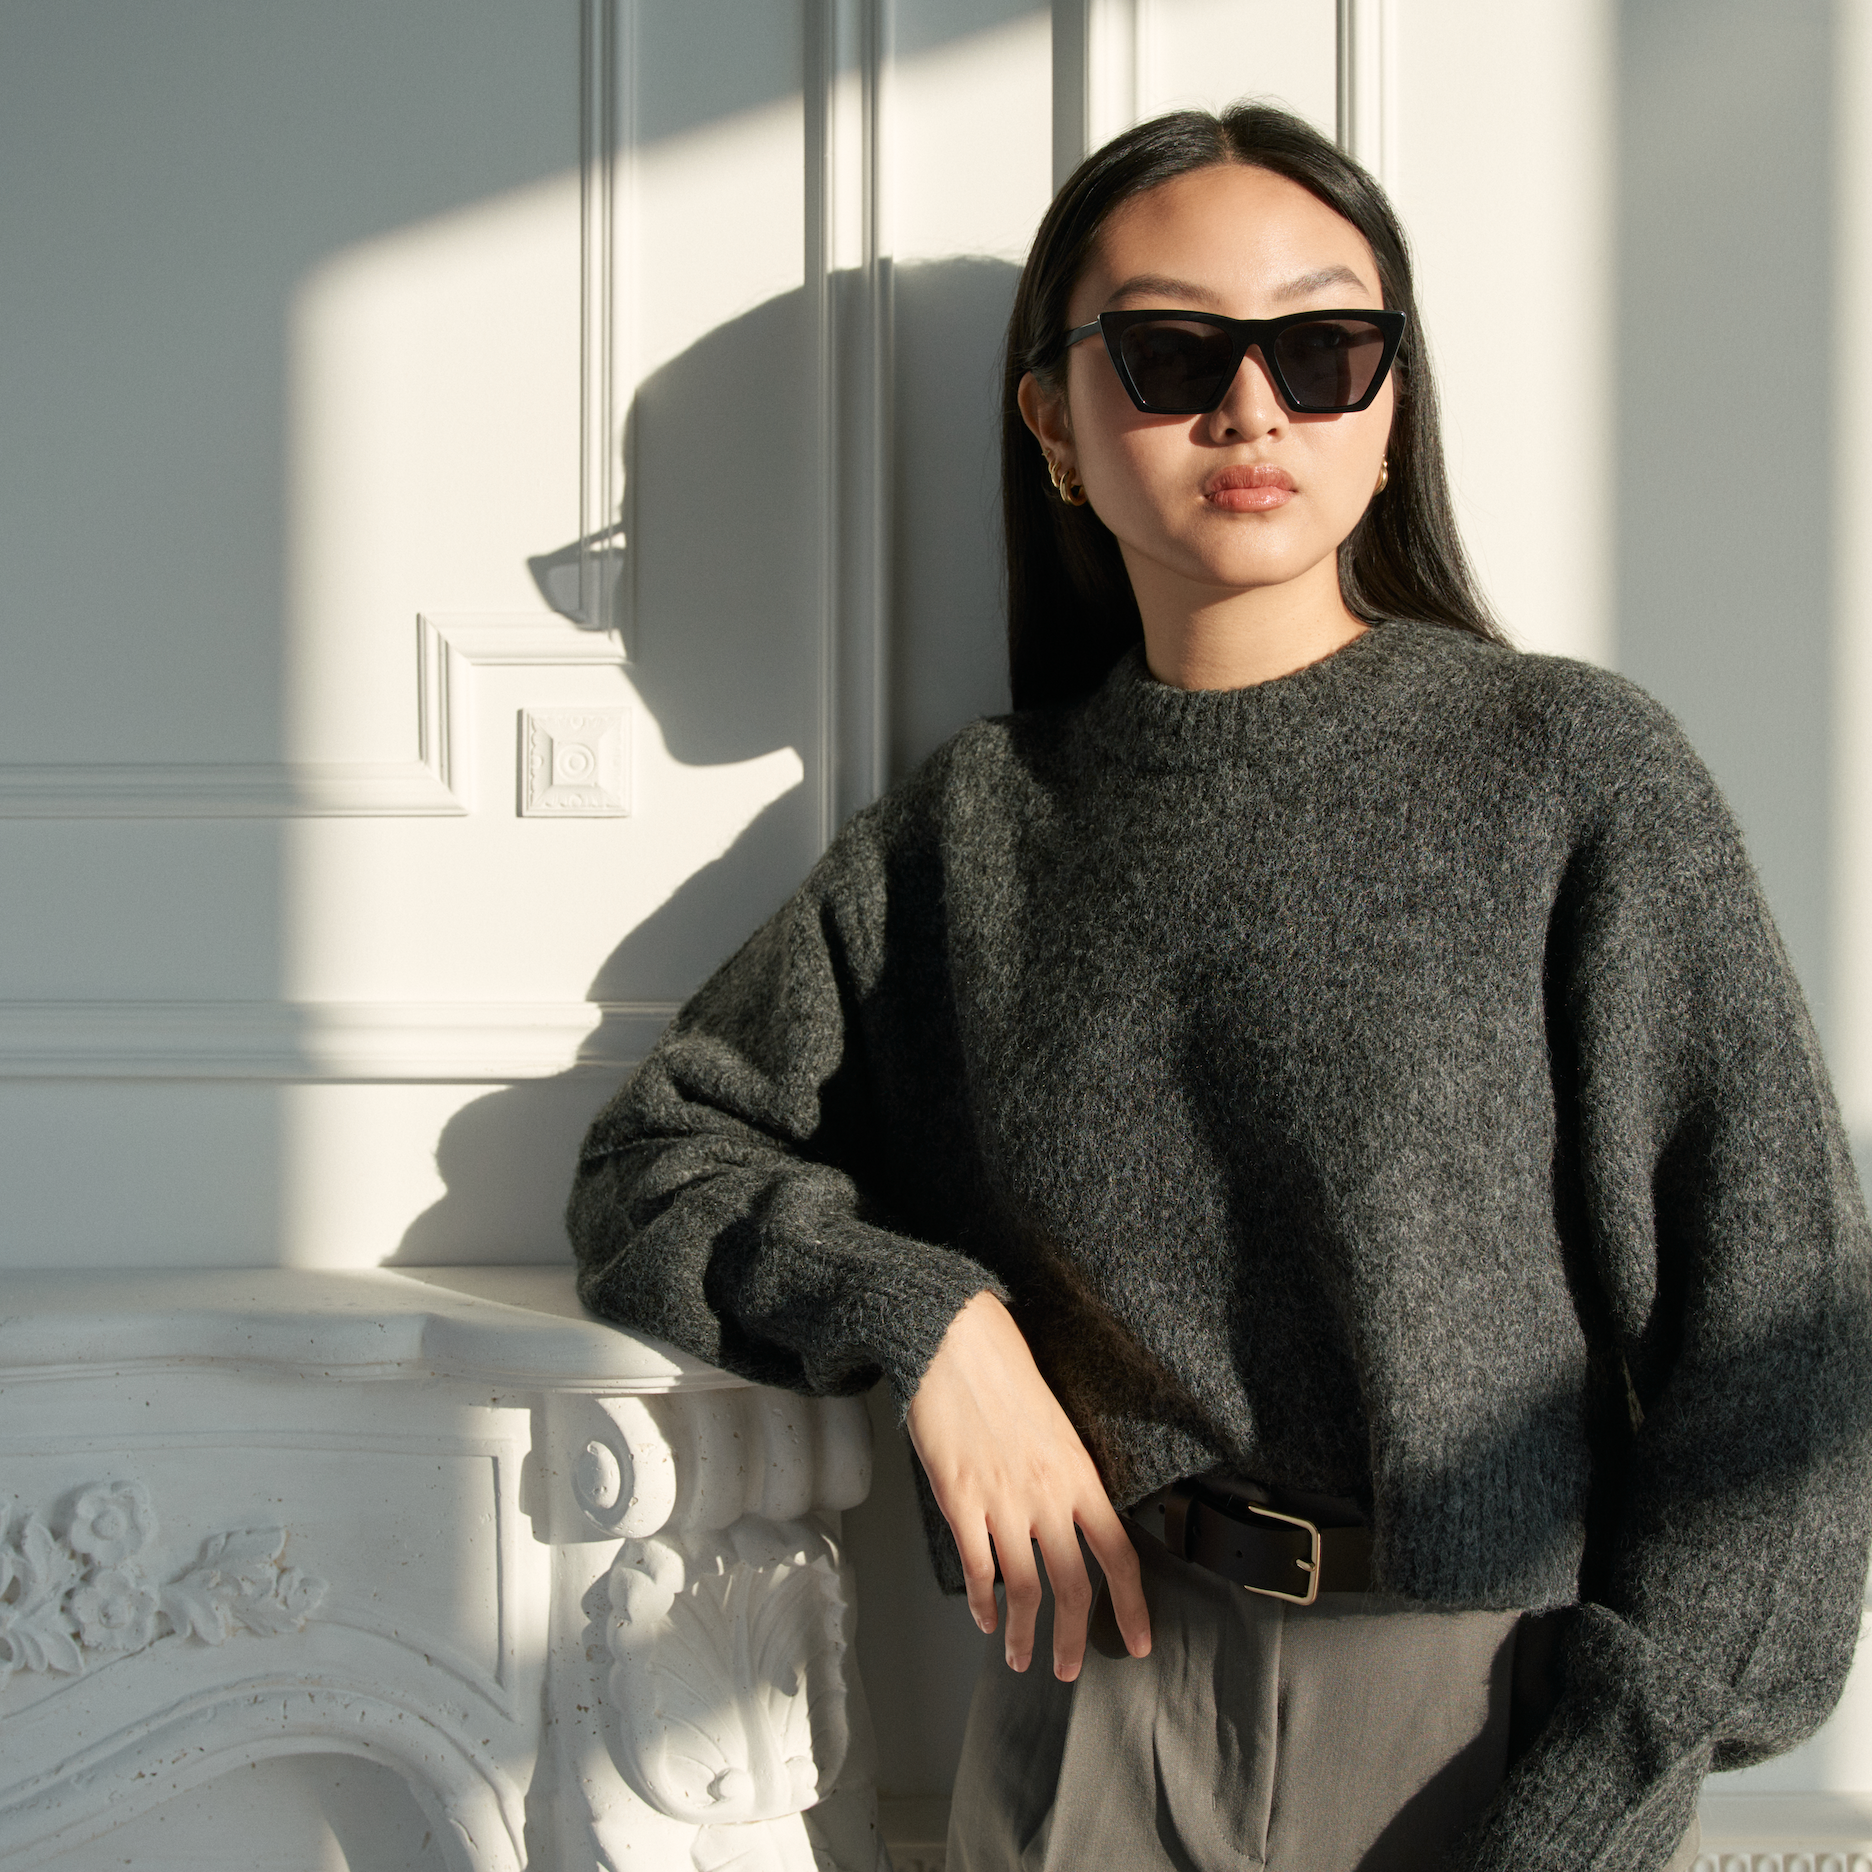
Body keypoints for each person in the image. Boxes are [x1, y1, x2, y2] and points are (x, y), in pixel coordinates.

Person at [567, 102, 1872, 1871]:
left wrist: (1598, 1795)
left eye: (1325, 349)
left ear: (1390, 401)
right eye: (1175, 353)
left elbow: (1777, 1333)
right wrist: (934, 1326)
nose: (1252, 409)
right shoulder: (978, 829)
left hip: (1481, 1735)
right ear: (1055, 418)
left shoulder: (1567, 772)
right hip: (1083, 1718)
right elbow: (656, 1161)